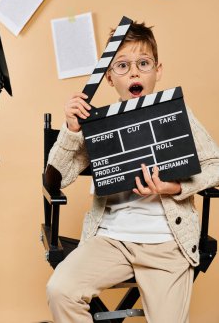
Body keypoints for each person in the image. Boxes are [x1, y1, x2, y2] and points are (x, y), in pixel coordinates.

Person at [46, 21, 219, 323]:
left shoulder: (178, 115)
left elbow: (215, 165)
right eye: (122, 66)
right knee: (61, 289)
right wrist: (72, 130)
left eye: (143, 63)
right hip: (110, 241)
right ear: (109, 78)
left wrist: (175, 188)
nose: (135, 72)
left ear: (158, 70)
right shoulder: (98, 124)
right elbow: (57, 176)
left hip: (168, 243)